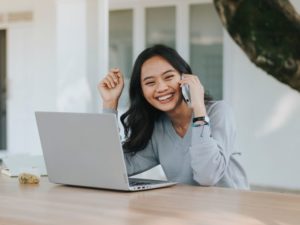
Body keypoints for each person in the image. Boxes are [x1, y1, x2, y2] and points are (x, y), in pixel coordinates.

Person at [98, 44, 249, 189]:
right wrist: (110, 104)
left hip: (230, 211)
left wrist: (199, 109)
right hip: (185, 211)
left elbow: (207, 176)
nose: (162, 88)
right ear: (142, 92)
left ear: (185, 78)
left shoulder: (219, 112)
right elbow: (113, 168)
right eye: (150, 82)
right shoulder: (157, 129)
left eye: (169, 77)